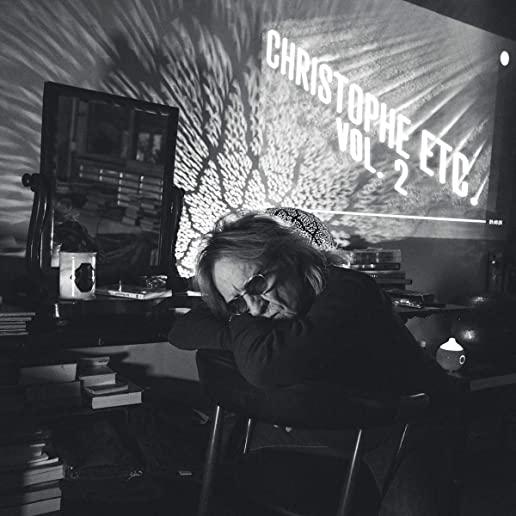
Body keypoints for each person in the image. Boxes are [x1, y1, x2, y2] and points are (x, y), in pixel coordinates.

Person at [169, 211, 461, 515]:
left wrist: (245, 332)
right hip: (327, 426)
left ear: (290, 257)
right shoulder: (256, 309)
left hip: (407, 423)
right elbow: (181, 330)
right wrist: (239, 320)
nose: (255, 309)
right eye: (238, 302)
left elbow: (264, 367)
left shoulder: (350, 290)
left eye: (256, 285)